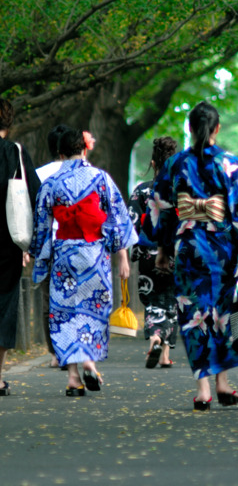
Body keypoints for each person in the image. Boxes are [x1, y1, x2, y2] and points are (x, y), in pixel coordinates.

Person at [153, 101, 238, 411]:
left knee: (192, 315)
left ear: (190, 128)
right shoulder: (229, 162)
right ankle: (223, 383)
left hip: (188, 246)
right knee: (222, 313)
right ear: (217, 128)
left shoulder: (174, 163)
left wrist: (163, 249)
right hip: (222, 249)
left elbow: (162, 207)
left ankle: (202, 388)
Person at [30, 127, 137, 396]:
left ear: (60, 153)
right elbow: (117, 219)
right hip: (94, 255)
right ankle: (89, 359)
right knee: (93, 308)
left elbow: (42, 226)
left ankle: (73, 378)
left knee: (65, 313)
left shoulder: (51, 184)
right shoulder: (101, 179)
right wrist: (121, 254)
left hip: (64, 253)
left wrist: (39, 259)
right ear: (84, 148)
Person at [0, 99, 41, 397]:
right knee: (4, 306)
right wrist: (34, 244)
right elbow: (36, 196)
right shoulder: (15, 153)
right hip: (7, 243)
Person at [128, 135, 179, 369]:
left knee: (152, 302)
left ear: (153, 163)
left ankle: (155, 338)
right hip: (176, 253)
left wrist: (130, 254)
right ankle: (166, 355)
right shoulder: (181, 191)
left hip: (148, 254)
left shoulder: (141, 191)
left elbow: (131, 225)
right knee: (172, 302)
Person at [35, 124, 71, 368]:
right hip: (78, 243)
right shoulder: (86, 172)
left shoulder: (39, 174)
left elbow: (35, 212)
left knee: (50, 299)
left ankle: (54, 352)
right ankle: (73, 348)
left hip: (49, 243)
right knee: (73, 296)